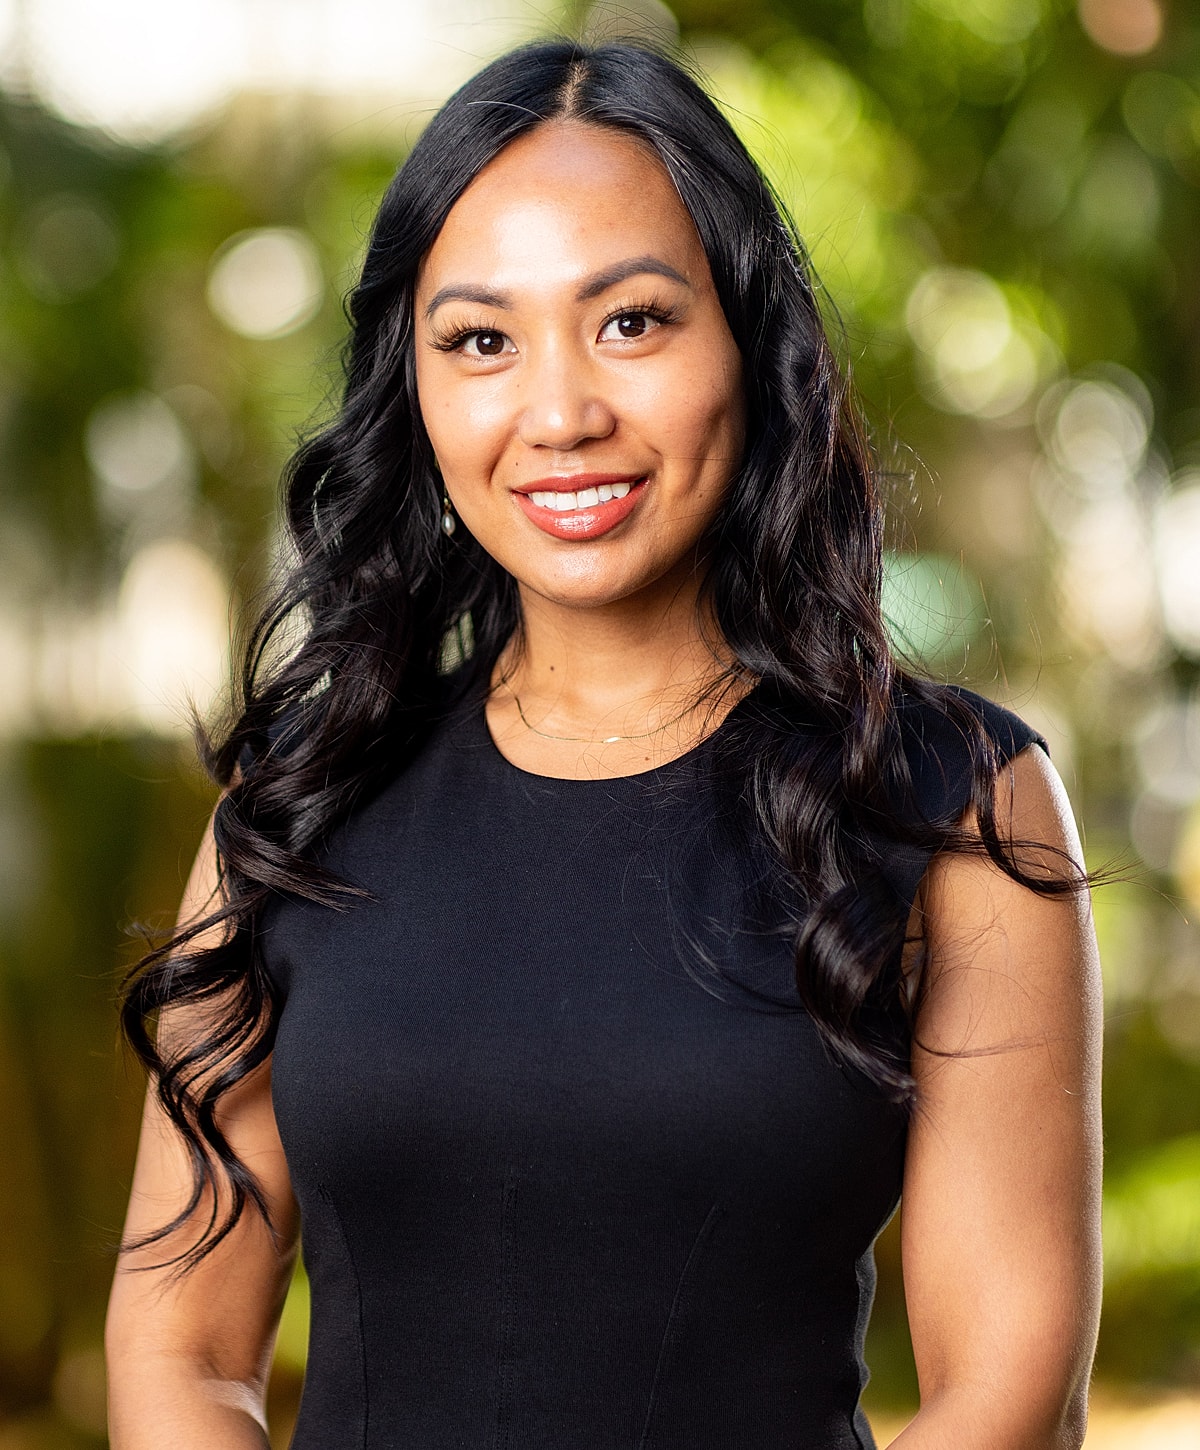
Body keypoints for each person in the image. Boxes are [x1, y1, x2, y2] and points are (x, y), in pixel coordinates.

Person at [104, 37, 1103, 1450]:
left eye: (631, 321)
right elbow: (177, 1345)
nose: (561, 413)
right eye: (481, 340)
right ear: (417, 387)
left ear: (751, 344)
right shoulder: (296, 811)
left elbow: (1009, 1394)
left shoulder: (954, 806)